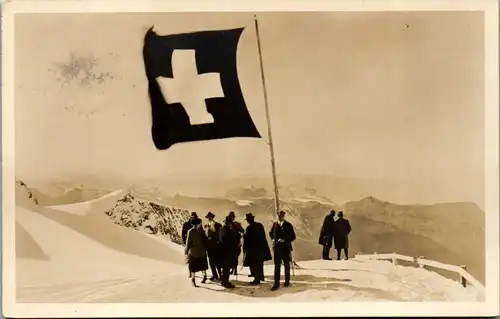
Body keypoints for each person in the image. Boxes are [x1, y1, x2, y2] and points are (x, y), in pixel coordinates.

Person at [269, 210, 296, 291]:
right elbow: (270, 233)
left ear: (284, 216)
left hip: (286, 248)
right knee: (277, 266)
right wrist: (274, 239)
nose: (280, 217)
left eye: (282, 215)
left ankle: (287, 281)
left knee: (287, 265)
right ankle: (276, 284)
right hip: (277, 248)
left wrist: (285, 240)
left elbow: (293, 236)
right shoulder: (275, 225)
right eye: (279, 216)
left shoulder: (288, 225)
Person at [243, 213, 272, 285]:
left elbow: (247, 240)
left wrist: (245, 249)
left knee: (254, 264)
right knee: (260, 263)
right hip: (262, 248)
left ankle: (257, 279)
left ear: (248, 220)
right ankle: (261, 276)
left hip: (253, 249)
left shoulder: (248, 229)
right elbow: (263, 235)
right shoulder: (260, 225)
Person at [184, 217, 209, 287]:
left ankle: (196, 278)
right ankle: (200, 277)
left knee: (195, 267)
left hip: (196, 251)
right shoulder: (198, 231)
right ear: (197, 224)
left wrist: (186, 251)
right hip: (198, 252)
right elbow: (205, 240)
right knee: (199, 266)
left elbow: (188, 243)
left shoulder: (192, 231)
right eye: (200, 223)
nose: (201, 224)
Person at [218, 217, 240, 288]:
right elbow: (231, 242)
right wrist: (237, 237)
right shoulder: (228, 231)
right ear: (228, 223)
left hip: (222, 252)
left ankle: (224, 281)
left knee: (225, 268)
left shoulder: (221, 229)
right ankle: (226, 282)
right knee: (227, 268)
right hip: (228, 252)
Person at [204, 211, 222, 281]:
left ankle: (220, 275)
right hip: (210, 247)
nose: (209, 218)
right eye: (208, 217)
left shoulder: (217, 225)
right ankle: (215, 275)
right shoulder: (207, 225)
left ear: (212, 217)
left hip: (215, 246)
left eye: (210, 217)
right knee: (211, 262)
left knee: (217, 262)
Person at [227, 211, 244, 276]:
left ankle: (234, 270)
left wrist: (239, 235)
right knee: (232, 257)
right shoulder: (234, 224)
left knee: (234, 257)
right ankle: (233, 270)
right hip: (232, 244)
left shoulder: (237, 224)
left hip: (235, 244)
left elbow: (242, 232)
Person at [182, 212, 198, 278]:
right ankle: (190, 273)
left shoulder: (197, 224)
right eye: (192, 217)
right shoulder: (185, 224)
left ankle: (193, 272)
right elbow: (183, 234)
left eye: (194, 217)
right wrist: (186, 243)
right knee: (189, 259)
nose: (193, 218)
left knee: (196, 259)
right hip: (189, 244)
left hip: (195, 245)